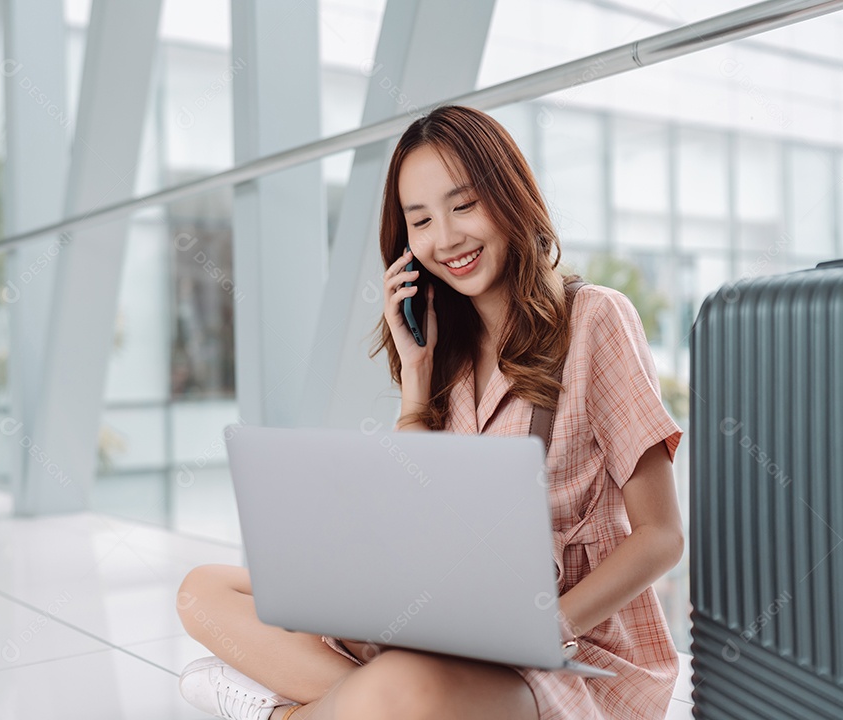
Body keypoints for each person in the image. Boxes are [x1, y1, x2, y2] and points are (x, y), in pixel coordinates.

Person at [175, 104, 685, 720]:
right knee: (202, 592)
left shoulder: (596, 318)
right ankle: (361, 701)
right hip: (448, 627)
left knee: (401, 686)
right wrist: (416, 379)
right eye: (421, 220)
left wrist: (544, 627)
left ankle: (284, 712)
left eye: (463, 205)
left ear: (510, 197)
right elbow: (414, 523)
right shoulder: (447, 350)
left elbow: (661, 537)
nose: (445, 239)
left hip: (568, 644)